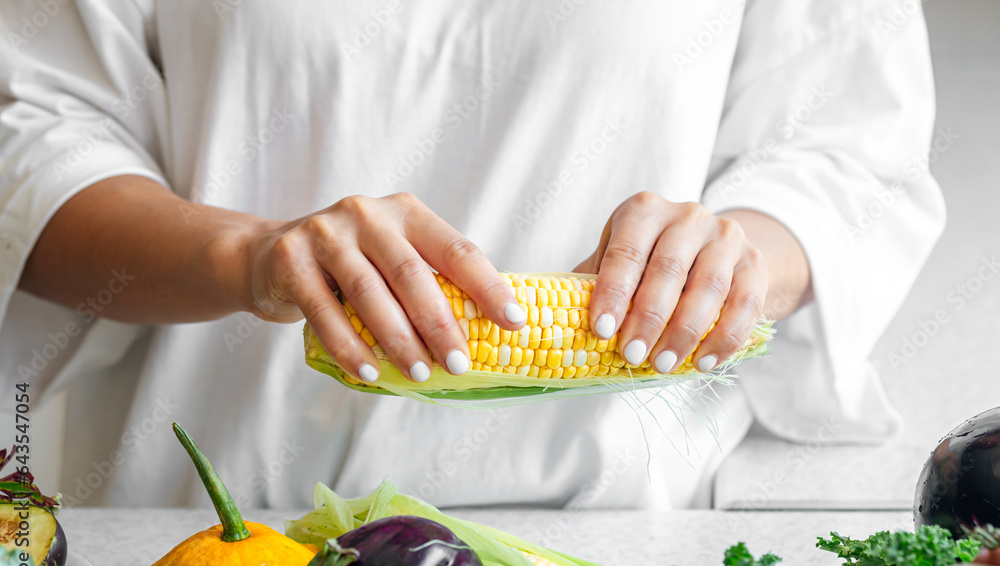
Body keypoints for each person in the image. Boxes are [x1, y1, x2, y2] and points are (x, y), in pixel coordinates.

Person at [0, 0, 944, 511]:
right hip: (205, 530)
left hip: (609, 539)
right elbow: (33, 133)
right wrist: (249, 256)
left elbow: (847, 145)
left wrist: (739, 259)